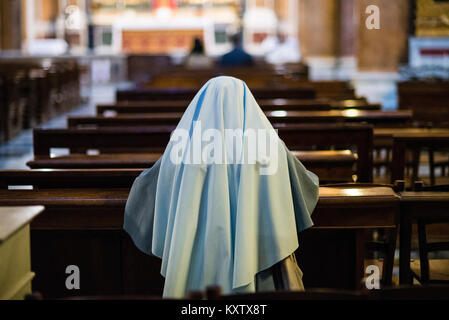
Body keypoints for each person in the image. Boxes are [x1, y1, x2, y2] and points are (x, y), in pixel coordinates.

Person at [123, 76, 319, 298]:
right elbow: (303, 187)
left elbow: (155, 183)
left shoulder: (182, 145)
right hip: (258, 266)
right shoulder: (269, 143)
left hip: (192, 267)